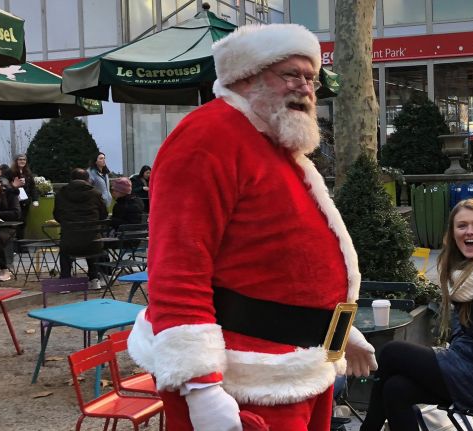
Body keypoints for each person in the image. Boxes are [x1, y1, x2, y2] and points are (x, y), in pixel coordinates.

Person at [126, 23, 376, 431]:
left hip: (300, 367)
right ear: (247, 77)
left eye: (310, 78)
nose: (306, 89)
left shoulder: (277, 144)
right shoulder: (208, 136)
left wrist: (340, 333)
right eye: (291, 74)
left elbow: (293, 265)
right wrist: (201, 387)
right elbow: (177, 269)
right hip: (245, 380)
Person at [360, 199, 473, 431]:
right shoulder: (469, 269)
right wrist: (460, 348)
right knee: (396, 389)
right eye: (462, 226)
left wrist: (466, 354)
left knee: (392, 352)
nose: (469, 231)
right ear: (453, 233)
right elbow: (459, 321)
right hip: (472, 367)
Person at [53, 168, 108, 290]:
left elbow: (57, 215)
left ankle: (65, 281)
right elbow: (103, 215)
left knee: (65, 249)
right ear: (87, 179)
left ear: (71, 179)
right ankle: (94, 279)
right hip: (92, 242)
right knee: (92, 241)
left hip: (69, 241)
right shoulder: (95, 193)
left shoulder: (61, 194)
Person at [6, 153, 39, 239]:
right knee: (15, 222)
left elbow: (33, 187)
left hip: (25, 201)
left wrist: (35, 200)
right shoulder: (10, 172)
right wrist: (14, 185)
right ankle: (14, 244)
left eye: (24, 159)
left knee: (23, 222)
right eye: (20, 159)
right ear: (16, 161)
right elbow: (6, 187)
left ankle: (21, 244)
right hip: (14, 201)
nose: (22, 161)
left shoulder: (28, 173)